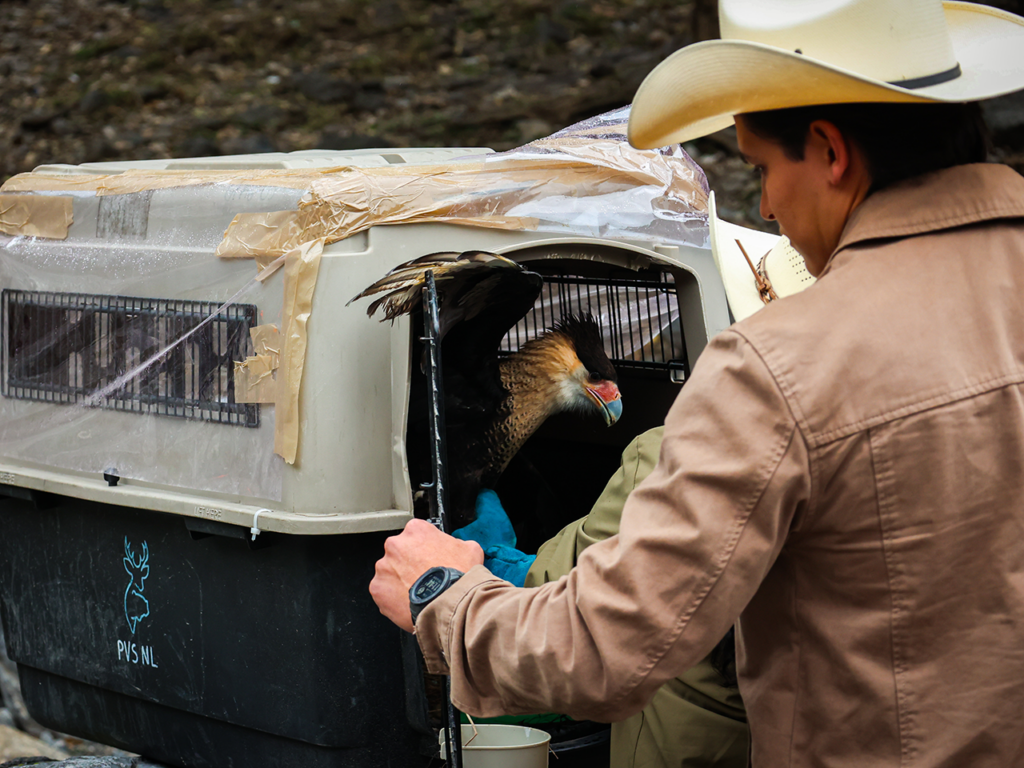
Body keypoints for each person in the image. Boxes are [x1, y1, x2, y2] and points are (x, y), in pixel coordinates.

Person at [370, 1, 1024, 765]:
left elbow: (603, 650)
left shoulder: (783, 367)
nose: (770, 208)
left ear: (829, 150)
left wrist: (442, 598)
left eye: (762, 170)